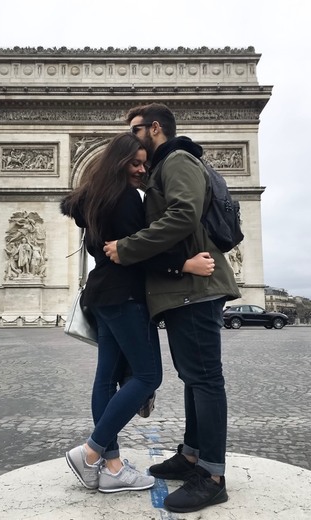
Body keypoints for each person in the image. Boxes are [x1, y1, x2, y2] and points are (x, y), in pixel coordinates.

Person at [103, 104, 241, 512]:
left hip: (195, 288)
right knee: (193, 377)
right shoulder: (164, 167)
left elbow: (184, 214)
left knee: (205, 378)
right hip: (182, 290)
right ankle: (192, 455)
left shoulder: (177, 160)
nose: (131, 137)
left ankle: (212, 475)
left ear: (155, 128)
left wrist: (127, 248)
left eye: (135, 129)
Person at [60, 132, 215, 494]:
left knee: (107, 378)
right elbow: (138, 249)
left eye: (145, 163)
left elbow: (116, 248)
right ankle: (92, 452)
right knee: (147, 376)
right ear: (117, 162)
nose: (142, 169)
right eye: (135, 163)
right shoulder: (126, 198)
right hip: (126, 295)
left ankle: (112, 466)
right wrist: (183, 264)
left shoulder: (93, 199)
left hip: (101, 296)